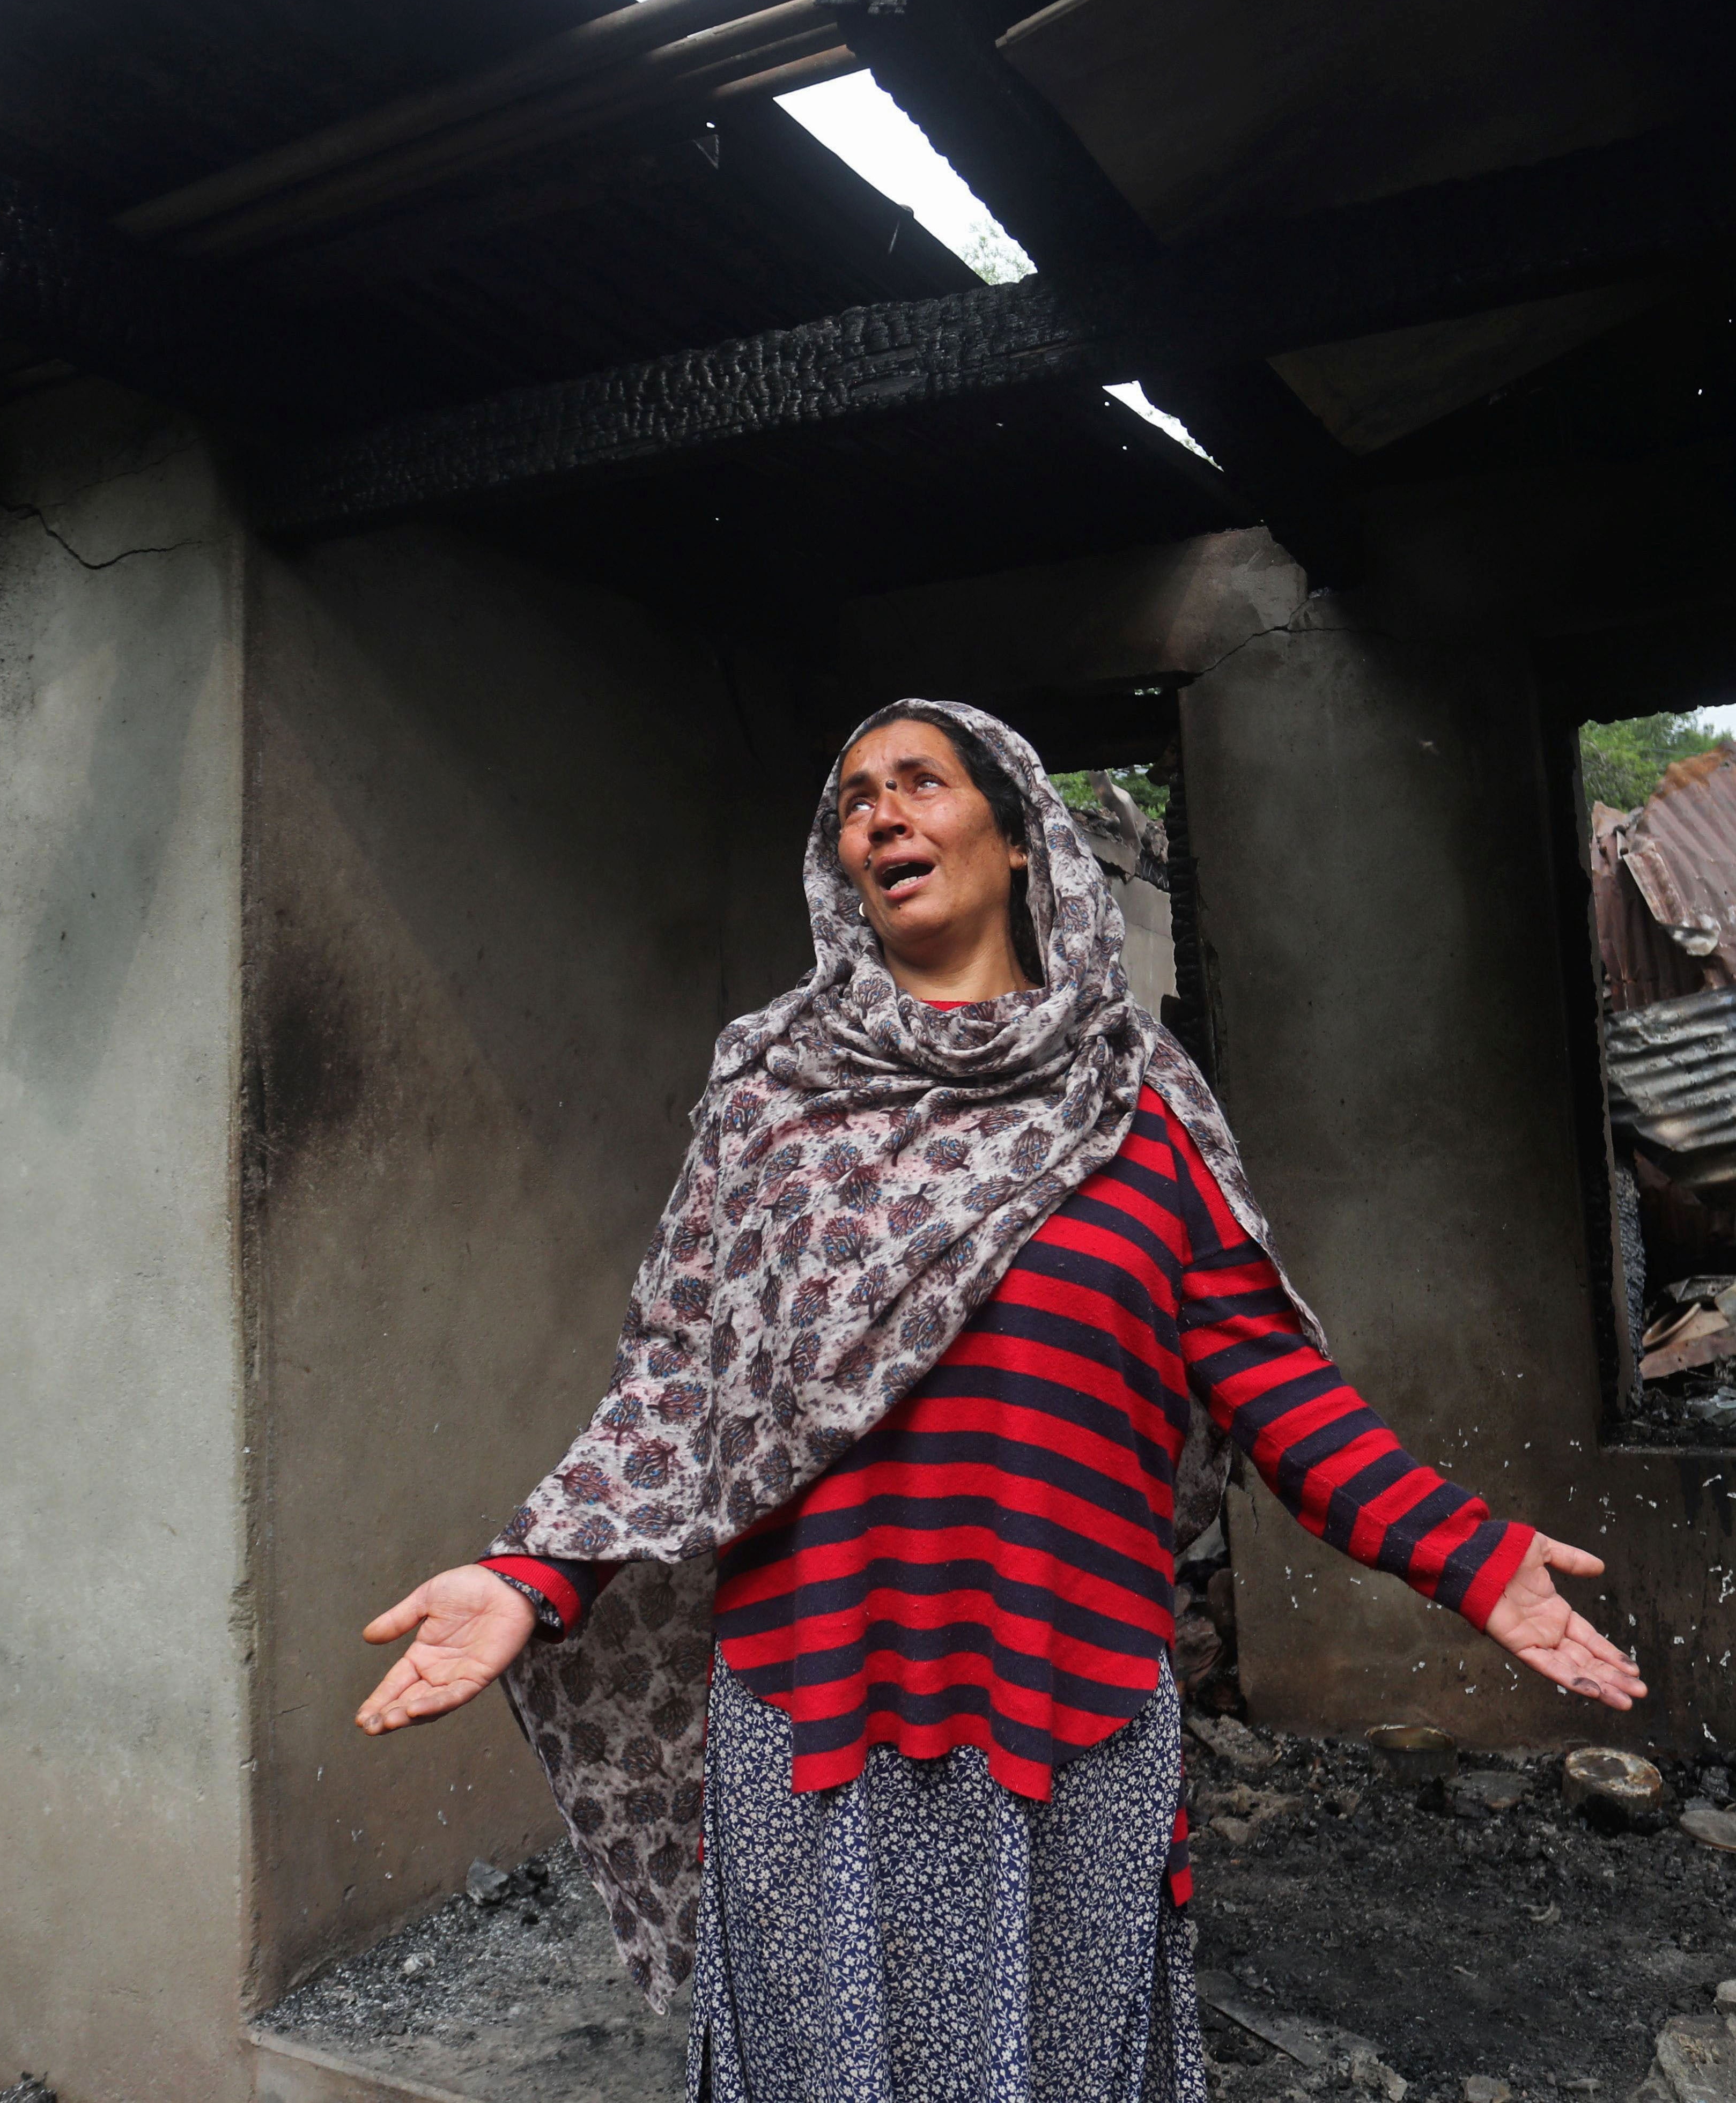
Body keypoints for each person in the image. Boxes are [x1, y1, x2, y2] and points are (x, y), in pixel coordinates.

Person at [354, 700, 1644, 2103]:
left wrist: (1465, 1554)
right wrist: (534, 1574)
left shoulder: (1137, 1098)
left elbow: (1271, 1377)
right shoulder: (773, 1091)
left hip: (1069, 1717)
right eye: (856, 801)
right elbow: (677, 1380)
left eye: (922, 783)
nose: (883, 818)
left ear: (1020, 834)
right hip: (816, 1719)